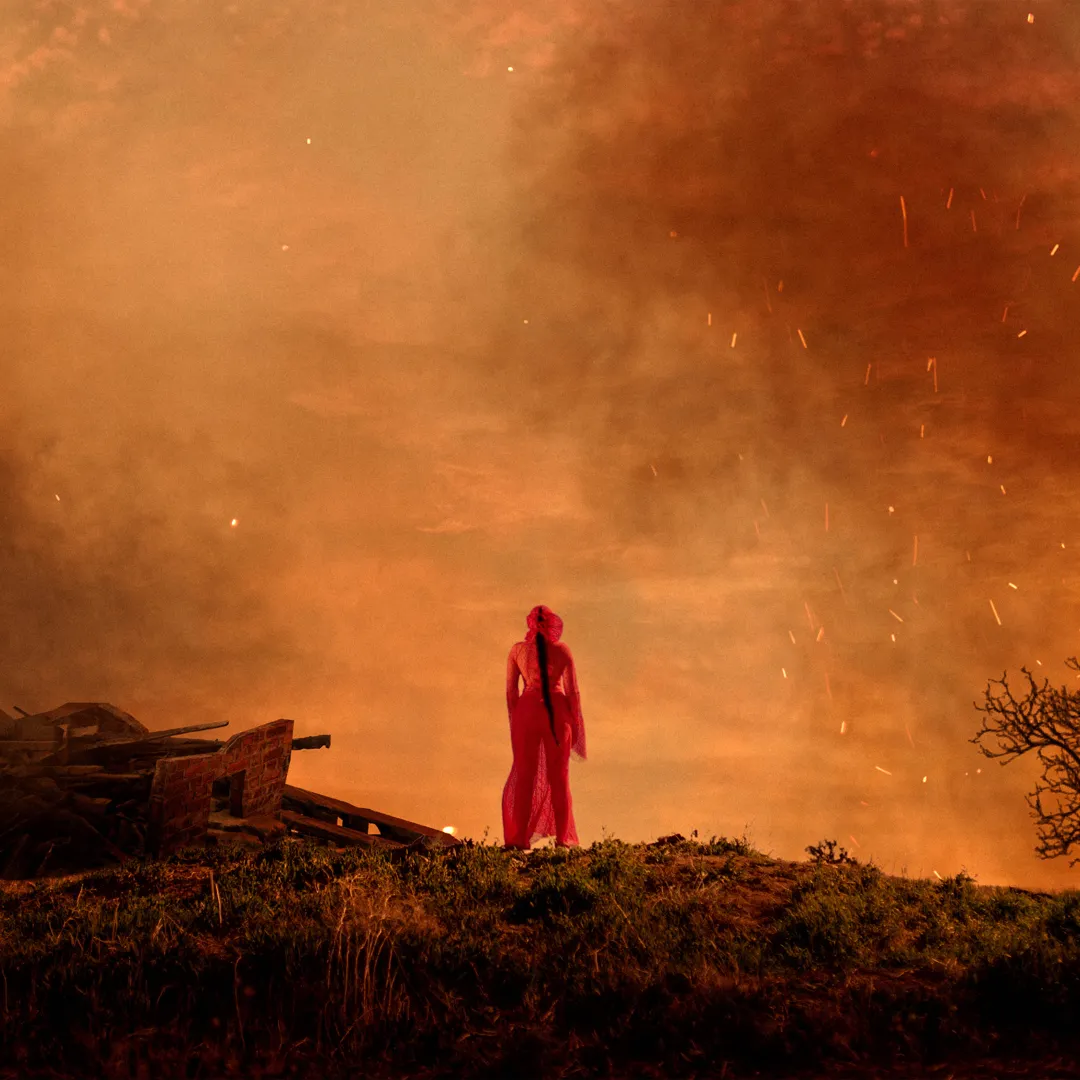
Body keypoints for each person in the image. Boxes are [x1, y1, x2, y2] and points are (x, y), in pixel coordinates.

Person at [502, 604, 587, 850]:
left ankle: (518, 840)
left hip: (526, 713)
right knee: (560, 778)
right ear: (553, 625)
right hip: (557, 715)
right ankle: (563, 839)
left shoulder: (517, 651)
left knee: (524, 777)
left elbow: (511, 692)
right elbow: (573, 692)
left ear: (530, 623)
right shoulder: (562, 650)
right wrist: (575, 724)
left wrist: (516, 720)